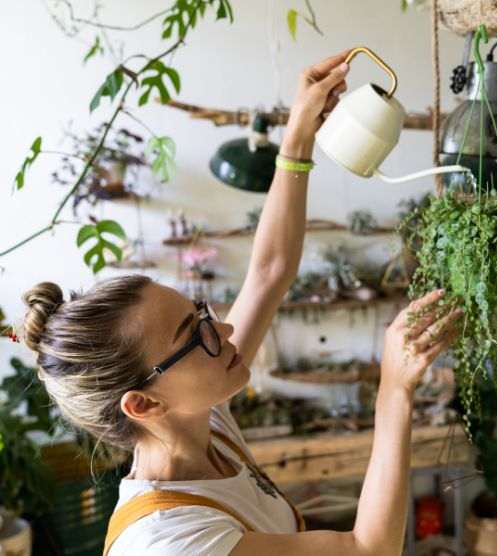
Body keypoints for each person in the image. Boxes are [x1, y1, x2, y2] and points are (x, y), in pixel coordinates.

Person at [20, 50, 462, 556]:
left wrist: (298, 136)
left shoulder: (201, 422)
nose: (225, 333)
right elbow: (367, 550)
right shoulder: (173, 543)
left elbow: (269, 272)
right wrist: (394, 392)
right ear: (143, 403)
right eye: (197, 335)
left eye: (202, 314)